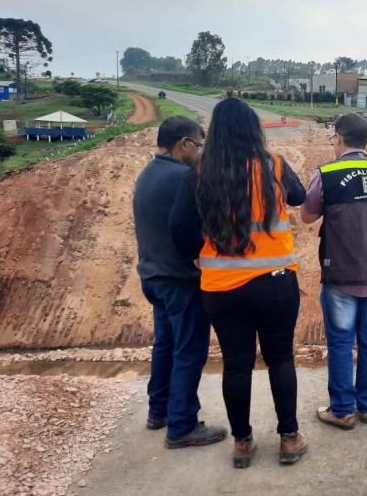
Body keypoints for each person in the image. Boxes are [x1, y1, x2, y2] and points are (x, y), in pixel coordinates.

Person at [169, 97, 308, 469]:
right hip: (276, 283)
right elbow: (300, 196)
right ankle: (289, 438)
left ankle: (243, 443)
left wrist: (195, 257)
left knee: (236, 365)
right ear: (253, 131)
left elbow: (179, 226)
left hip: (223, 288)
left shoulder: (199, 174)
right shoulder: (274, 166)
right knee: (280, 358)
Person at [300, 113, 367, 429]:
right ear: (366, 141)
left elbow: (307, 216)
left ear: (339, 138)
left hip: (340, 276)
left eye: (333, 139)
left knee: (340, 341)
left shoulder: (327, 174)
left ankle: (342, 410)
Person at [132, 115, 227, 449]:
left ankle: (159, 411)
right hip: (180, 279)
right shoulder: (184, 178)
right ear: (184, 143)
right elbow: (201, 224)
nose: (200, 152)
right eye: (199, 145)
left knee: (166, 345)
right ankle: (183, 425)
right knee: (189, 350)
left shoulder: (147, 174)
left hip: (153, 277)